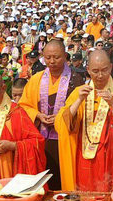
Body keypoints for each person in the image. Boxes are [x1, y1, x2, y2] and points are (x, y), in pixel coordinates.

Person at [55, 49, 113, 191]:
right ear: (88, 70)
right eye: (95, 71)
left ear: (111, 68)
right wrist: (78, 100)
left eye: (104, 70)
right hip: (85, 157)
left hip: (111, 158)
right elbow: (61, 124)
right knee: (86, 197)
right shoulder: (80, 91)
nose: (100, 75)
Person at [19, 40, 84, 189]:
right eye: (48, 58)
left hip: (66, 139)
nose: (52, 61)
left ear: (65, 56)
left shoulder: (76, 80)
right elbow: (23, 105)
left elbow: (80, 110)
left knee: (64, 180)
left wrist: (60, 118)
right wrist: (37, 115)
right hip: (41, 140)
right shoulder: (36, 79)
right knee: (43, 181)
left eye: (56, 57)